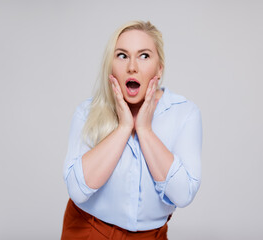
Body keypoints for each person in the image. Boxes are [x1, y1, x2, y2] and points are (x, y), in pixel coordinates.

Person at [61, 20, 202, 240]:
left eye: (144, 55)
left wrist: (144, 130)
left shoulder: (184, 113)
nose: (132, 66)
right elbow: (77, 190)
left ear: (159, 67)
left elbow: (183, 195)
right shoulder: (87, 112)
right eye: (122, 55)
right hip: (87, 230)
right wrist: (125, 127)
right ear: (111, 65)